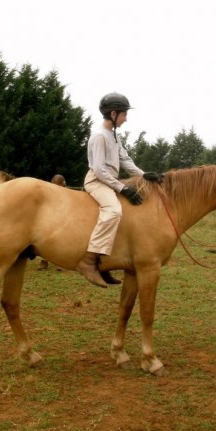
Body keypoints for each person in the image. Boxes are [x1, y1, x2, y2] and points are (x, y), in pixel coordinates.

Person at [75, 92, 163, 288]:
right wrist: (122, 188)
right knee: (113, 211)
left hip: (108, 181)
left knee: (124, 215)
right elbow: (98, 169)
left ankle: (104, 264)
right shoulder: (99, 136)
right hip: (97, 181)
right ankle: (88, 262)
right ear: (113, 114)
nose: (126, 118)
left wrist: (144, 174)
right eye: (124, 114)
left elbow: (125, 159)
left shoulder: (114, 135)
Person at [38, 174, 67, 271]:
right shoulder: (48, 192)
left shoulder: (66, 193)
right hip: (49, 219)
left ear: (63, 184)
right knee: (45, 240)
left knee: (61, 240)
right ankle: (44, 261)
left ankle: (60, 263)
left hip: (61, 219)